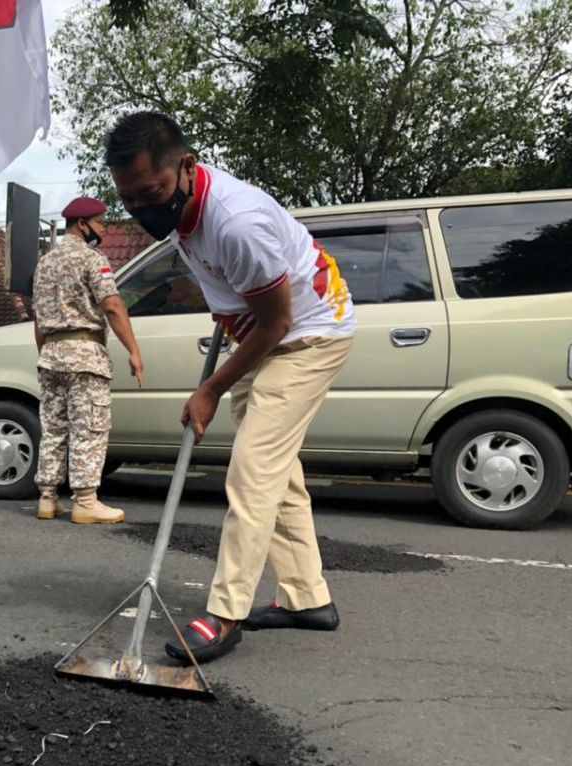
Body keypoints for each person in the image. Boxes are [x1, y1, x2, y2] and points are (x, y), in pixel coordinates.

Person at [104, 111, 356, 664]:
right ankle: (307, 599)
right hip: (270, 334)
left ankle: (225, 613)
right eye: (130, 200)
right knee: (277, 473)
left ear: (187, 168)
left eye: (153, 193)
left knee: (253, 469)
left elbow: (278, 322)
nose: (144, 209)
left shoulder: (234, 223)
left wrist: (211, 389)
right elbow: (239, 295)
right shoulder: (183, 212)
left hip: (311, 334)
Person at [32, 197, 144, 524]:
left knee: (53, 428)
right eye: (100, 222)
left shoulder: (45, 262)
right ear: (83, 225)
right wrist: (134, 350)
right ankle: (85, 501)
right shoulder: (93, 259)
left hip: (50, 355)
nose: (104, 228)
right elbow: (112, 306)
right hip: (85, 356)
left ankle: (47, 498)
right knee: (89, 428)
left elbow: (38, 319)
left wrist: (45, 353)